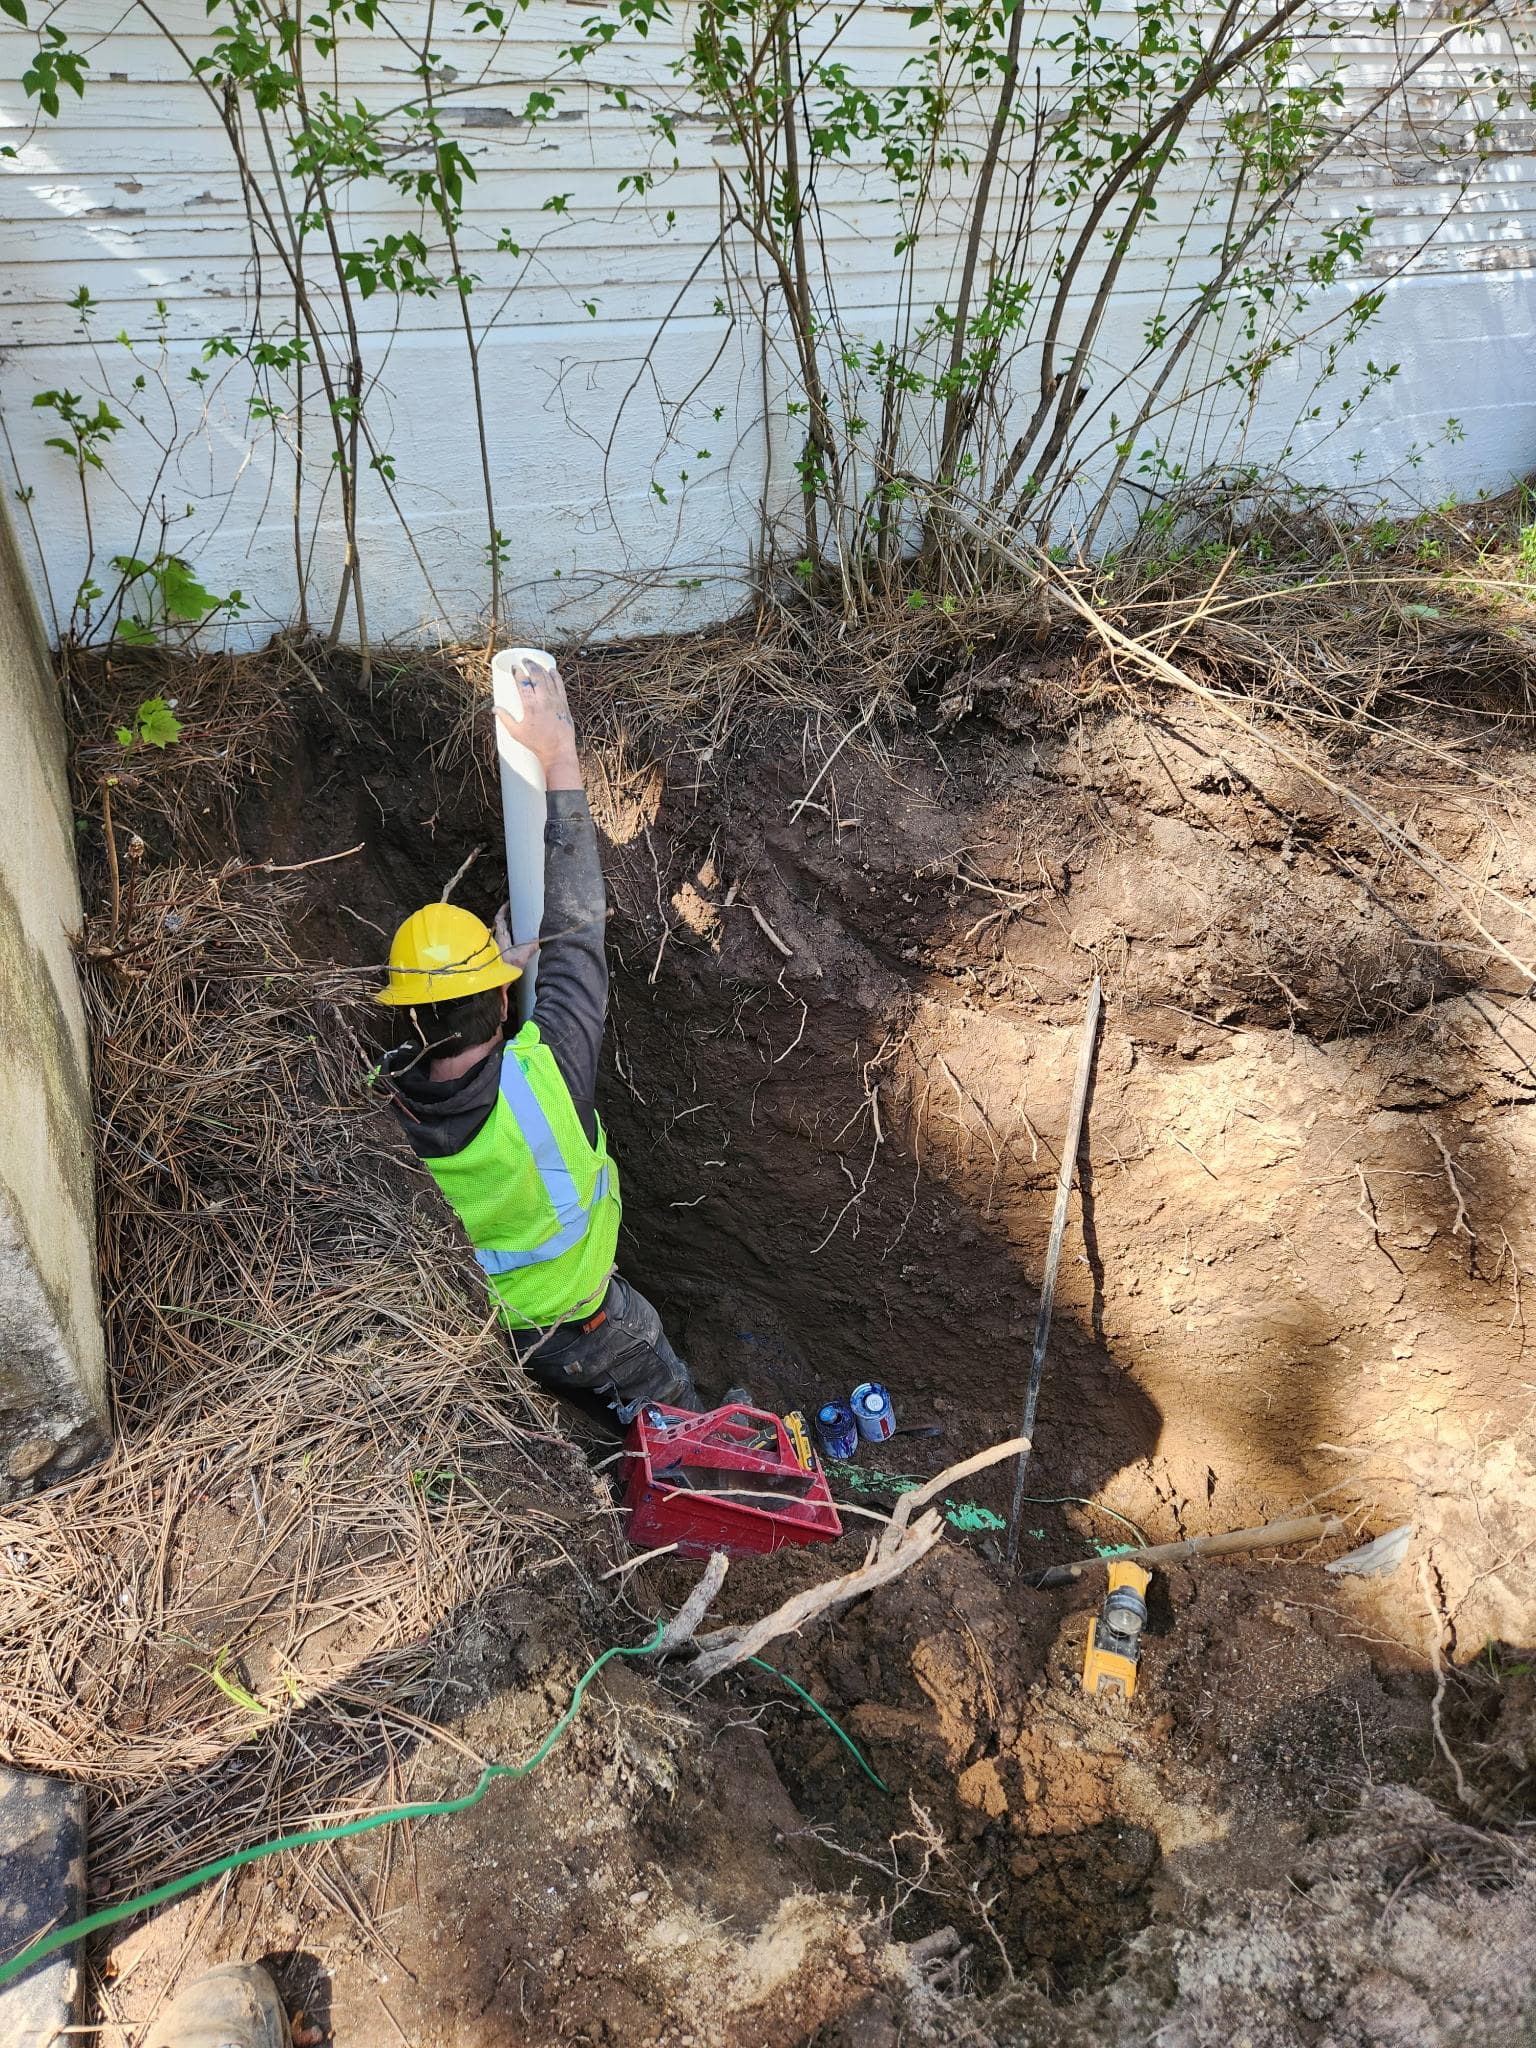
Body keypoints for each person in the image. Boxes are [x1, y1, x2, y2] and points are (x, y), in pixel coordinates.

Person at [375, 654, 704, 1420]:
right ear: (499, 995)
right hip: (588, 1321)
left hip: (490, 1337)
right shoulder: (546, 1074)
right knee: (670, 1408)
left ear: (401, 1013)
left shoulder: (382, 1110)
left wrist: (489, 977)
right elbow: (578, 932)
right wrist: (558, 755)